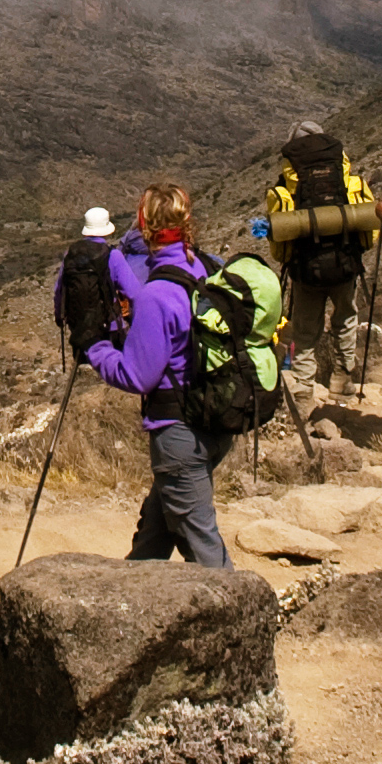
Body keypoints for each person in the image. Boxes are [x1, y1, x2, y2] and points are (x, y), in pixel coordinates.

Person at [88, 182, 234, 567]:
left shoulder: (156, 295)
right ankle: (131, 595)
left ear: (144, 227)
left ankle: (246, 618)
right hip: (214, 420)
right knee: (156, 526)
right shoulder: (205, 267)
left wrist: (97, 348)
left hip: (178, 433)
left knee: (204, 551)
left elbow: (138, 376)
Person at [261, 126, 375, 407]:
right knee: (346, 317)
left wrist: (287, 257)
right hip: (345, 260)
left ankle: (302, 388)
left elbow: (279, 240)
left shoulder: (289, 179)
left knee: (305, 327)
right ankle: (342, 380)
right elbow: (369, 227)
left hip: (305, 264)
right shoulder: (343, 172)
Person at [52, 205, 121, 369]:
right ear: (107, 230)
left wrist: (59, 317)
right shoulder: (112, 255)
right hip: (108, 327)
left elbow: (59, 291)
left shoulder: (71, 255)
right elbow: (133, 291)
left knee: (82, 368)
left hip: (78, 327)